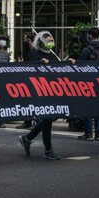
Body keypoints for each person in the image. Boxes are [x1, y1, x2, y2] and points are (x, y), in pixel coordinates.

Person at [18, 31, 64, 160]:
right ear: (41, 42)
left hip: (52, 91)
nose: (50, 43)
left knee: (48, 118)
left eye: (51, 40)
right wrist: (40, 63)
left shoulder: (53, 55)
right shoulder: (35, 54)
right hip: (40, 91)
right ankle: (48, 149)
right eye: (47, 40)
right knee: (48, 118)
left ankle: (27, 138)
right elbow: (29, 70)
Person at [77, 27, 99, 141]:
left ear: (90, 35)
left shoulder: (87, 49)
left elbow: (79, 65)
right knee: (98, 108)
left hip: (88, 83)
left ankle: (88, 133)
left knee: (88, 108)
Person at [15, 32, 36, 129]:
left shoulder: (37, 51)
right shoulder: (28, 50)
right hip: (29, 79)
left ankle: (35, 122)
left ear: (29, 39)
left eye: (25, 38)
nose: (23, 40)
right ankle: (27, 121)